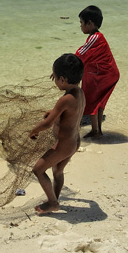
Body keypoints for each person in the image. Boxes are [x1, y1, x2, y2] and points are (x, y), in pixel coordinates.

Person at [30, 53, 85, 214]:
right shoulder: (79, 93)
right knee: (57, 171)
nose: (54, 80)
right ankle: (54, 198)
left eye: (55, 77)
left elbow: (47, 124)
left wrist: (33, 130)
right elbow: (70, 114)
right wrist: (55, 112)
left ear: (62, 79)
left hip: (63, 145)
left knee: (38, 170)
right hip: (74, 141)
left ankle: (53, 203)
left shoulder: (65, 99)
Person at [75, 5, 119, 138]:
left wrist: (64, 65)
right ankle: (97, 131)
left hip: (104, 75)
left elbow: (81, 52)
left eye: (81, 23)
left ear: (90, 23)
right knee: (98, 103)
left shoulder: (95, 37)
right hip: (105, 74)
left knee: (93, 102)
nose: (81, 26)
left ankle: (96, 131)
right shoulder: (97, 37)